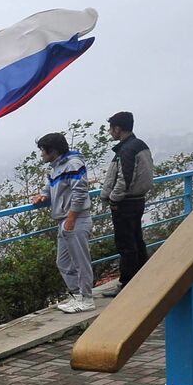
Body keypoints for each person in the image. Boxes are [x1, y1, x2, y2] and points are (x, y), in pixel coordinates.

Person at [32, 132, 95, 313]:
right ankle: (77, 296)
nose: (41, 154)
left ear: (53, 150)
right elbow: (49, 188)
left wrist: (71, 218)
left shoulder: (73, 164)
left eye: (43, 151)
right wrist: (42, 196)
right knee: (63, 262)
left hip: (75, 220)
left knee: (80, 261)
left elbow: (80, 192)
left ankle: (87, 299)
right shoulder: (54, 168)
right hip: (64, 220)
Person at [102, 111, 154, 288]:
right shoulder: (139, 145)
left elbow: (125, 177)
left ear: (118, 128)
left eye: (111, 128)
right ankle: (142, 278)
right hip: (137, 200)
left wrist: (114, 200)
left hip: (126, 202)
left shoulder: (127, 149)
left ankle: (127, 283)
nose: (110, 132)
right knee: (136, 239)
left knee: (126, 243)